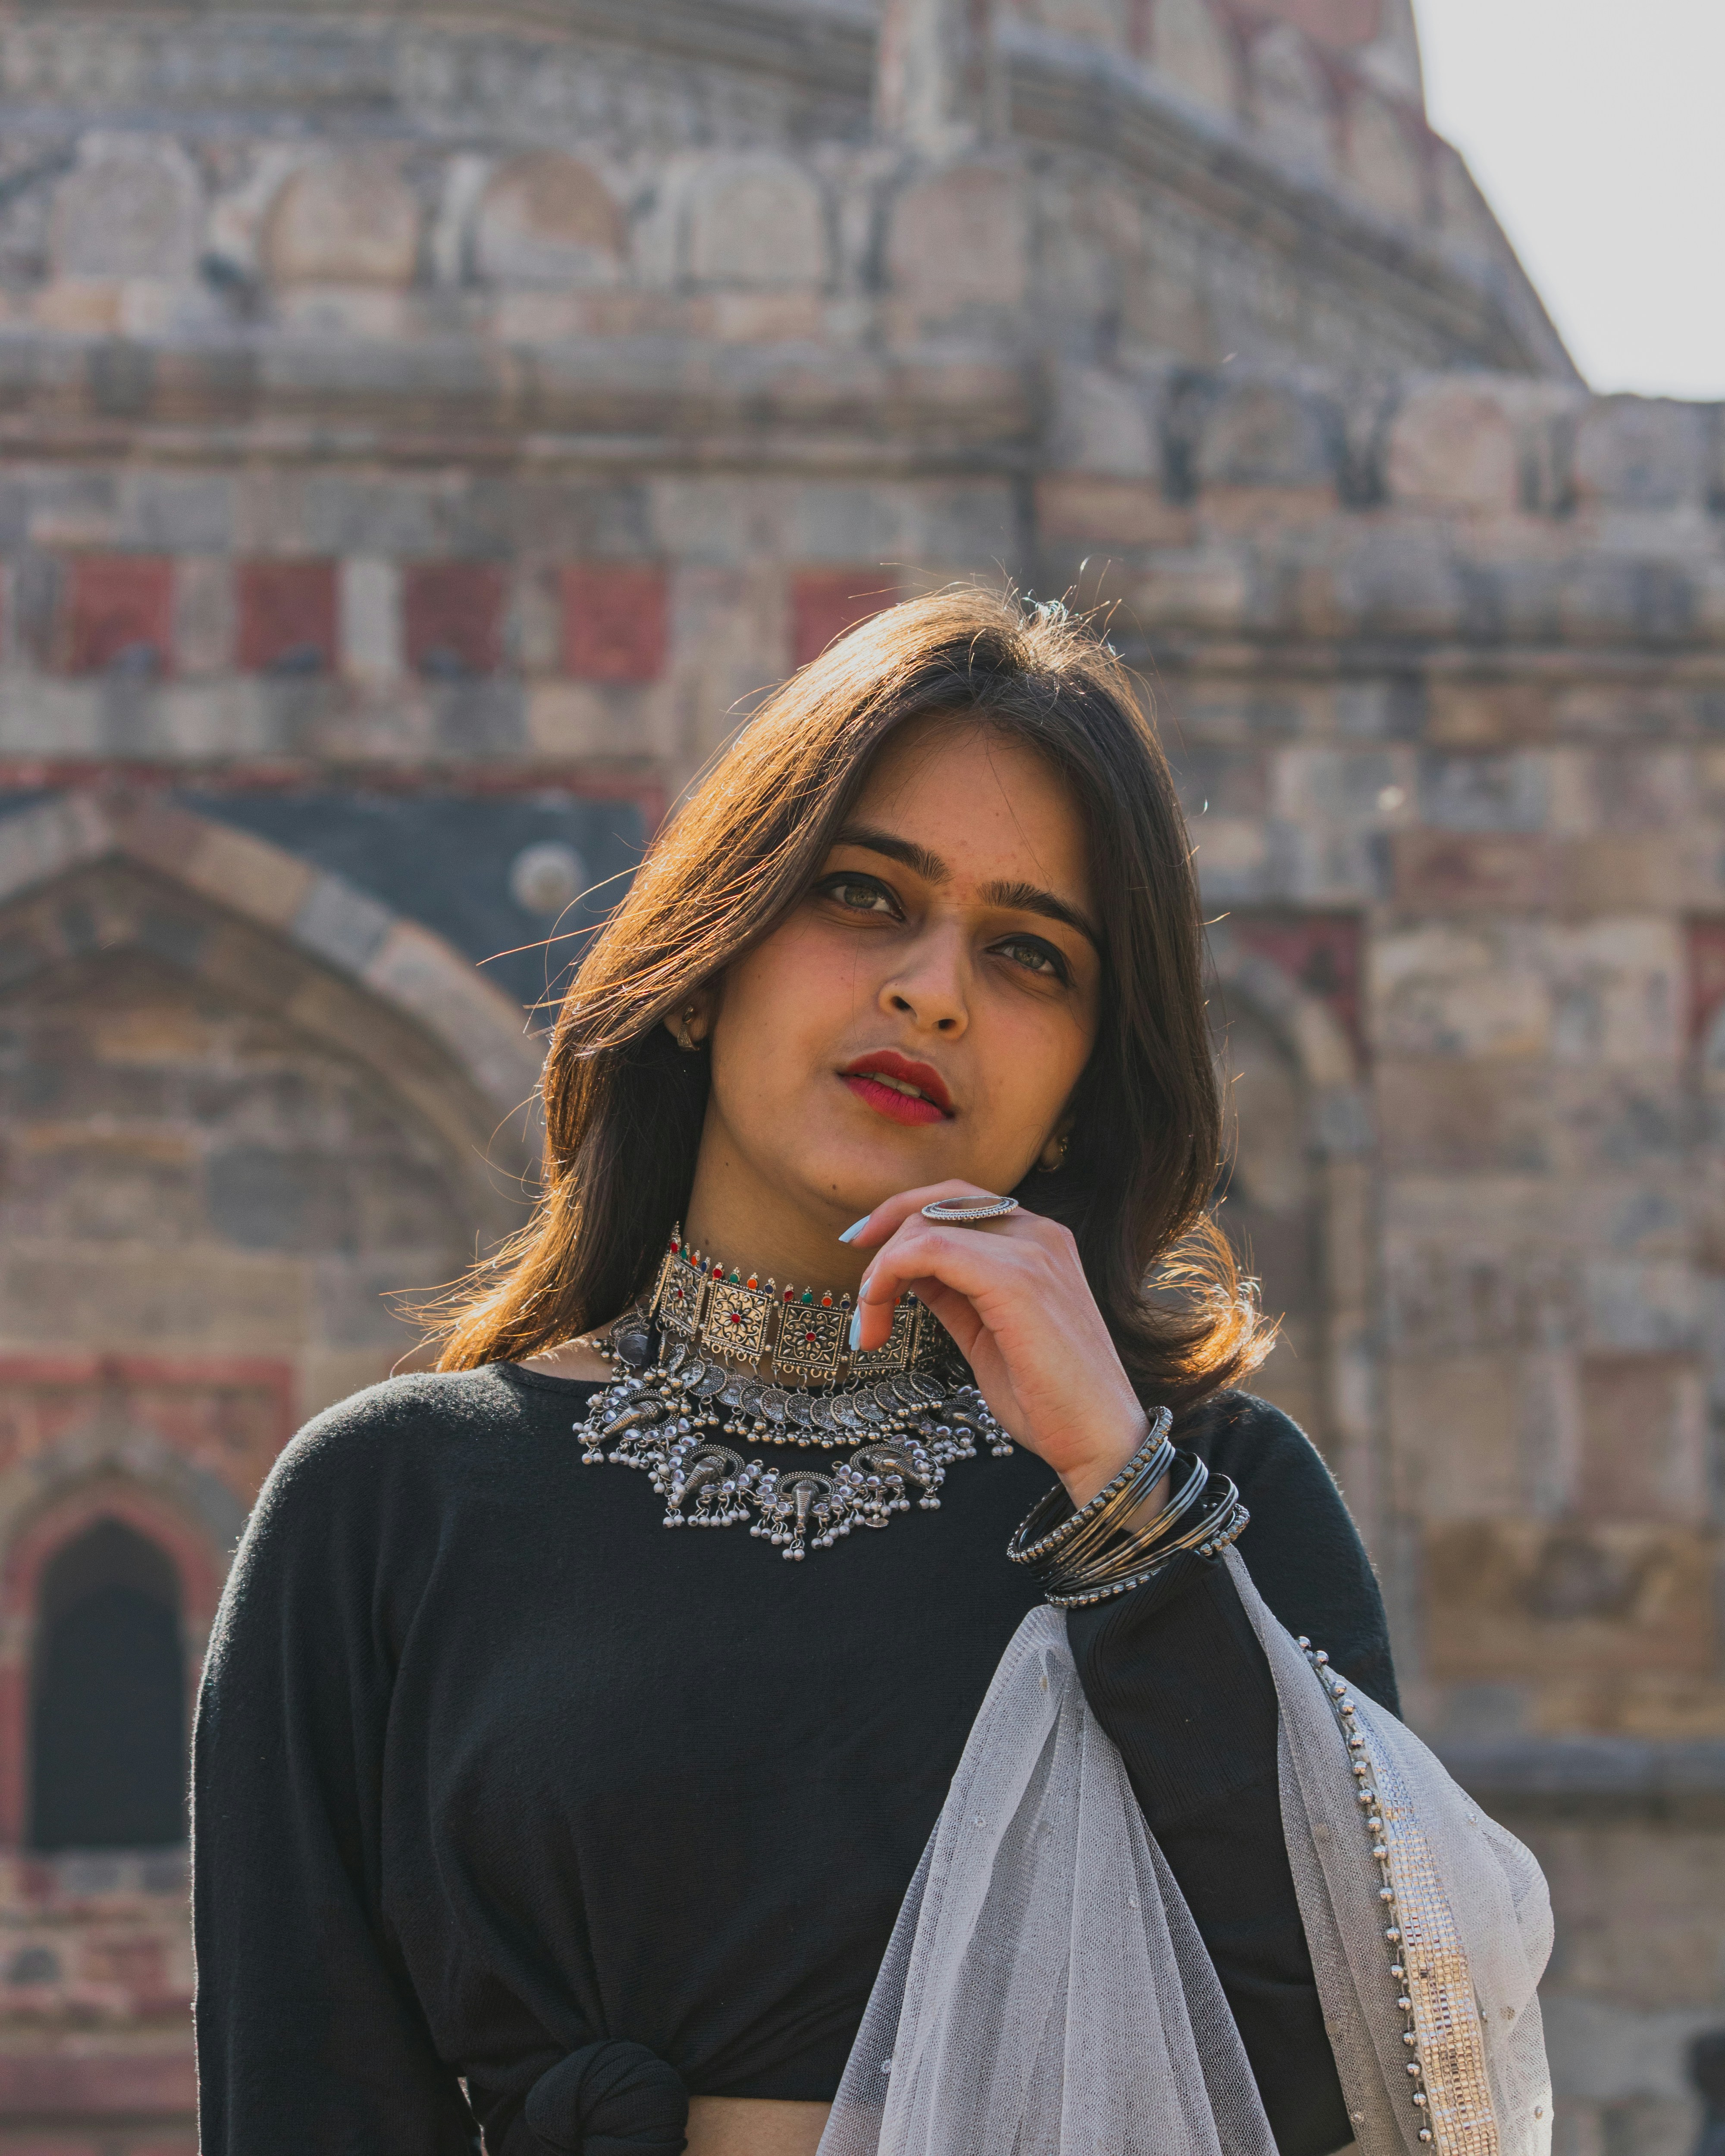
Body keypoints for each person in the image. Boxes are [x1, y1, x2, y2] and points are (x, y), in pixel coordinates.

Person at [192, 590, 1548, 2156]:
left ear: (1081, 1087)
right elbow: (306, 2098)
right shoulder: (386, 1509)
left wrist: (1119, 1497)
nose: (935, 990)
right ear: (706, 961)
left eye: (1031, 955)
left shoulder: (1210, 1494)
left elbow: (1386, 2069)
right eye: (861, 894)